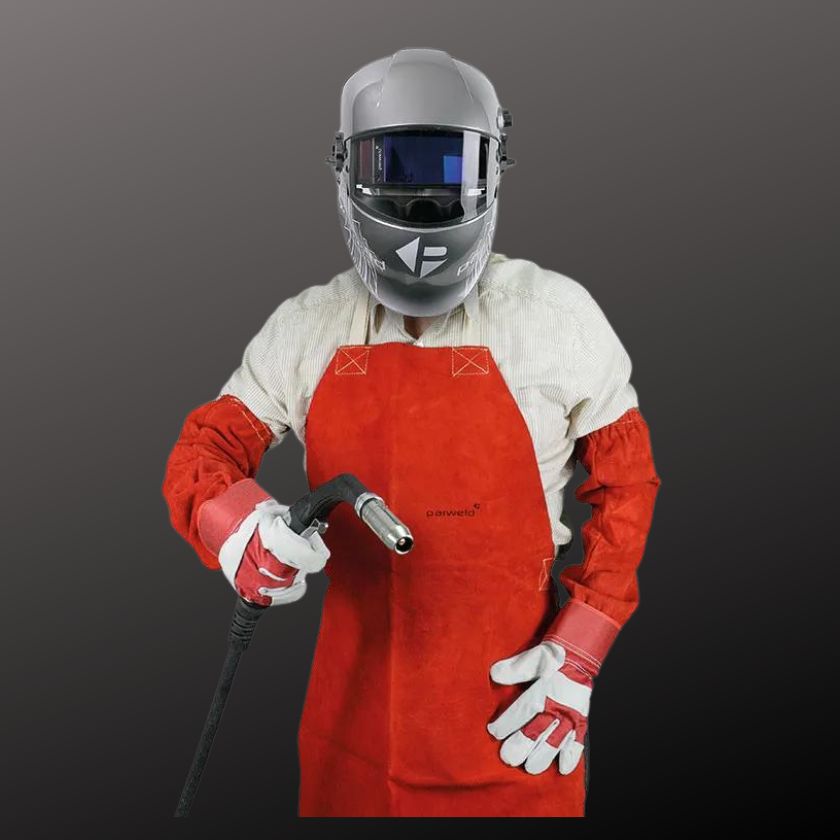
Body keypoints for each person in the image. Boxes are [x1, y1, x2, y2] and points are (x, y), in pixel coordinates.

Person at [162, 47, 661, 817]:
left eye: (450, 167)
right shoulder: (310, 328)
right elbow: (207, 449)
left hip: (518, 724)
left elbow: (627, 482)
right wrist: (241, 531)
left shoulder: (556, 319)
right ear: (347, 168)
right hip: (352, 740)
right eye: (395, 168)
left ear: (494, 166)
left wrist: (582, 647)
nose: (424, 199)